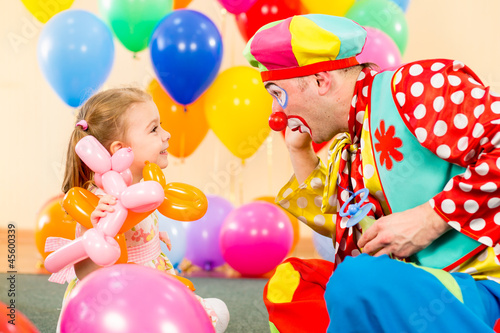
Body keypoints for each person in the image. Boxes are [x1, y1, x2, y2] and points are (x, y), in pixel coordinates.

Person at [243, 14, 500, 333]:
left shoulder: (414, 85)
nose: (275, 115)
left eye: (277, 95)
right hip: (411, 287)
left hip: (479, 285)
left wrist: (429, 219)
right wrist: (299, 150)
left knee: (354, 281)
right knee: (293, 285)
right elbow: (340, 228)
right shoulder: (350, 141)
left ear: (322, 81)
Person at [54, 87, 229, 332]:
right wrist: (91, 226)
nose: (166, 134)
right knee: (206, 317)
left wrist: (151, 236)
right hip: (115, 300)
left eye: (162, 125)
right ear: (119, 149)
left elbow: (135, 228)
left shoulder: (143, 187)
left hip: (150, 282)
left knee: (216, 312)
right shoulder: (100, 202)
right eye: (154, 128)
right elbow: (85, 270)